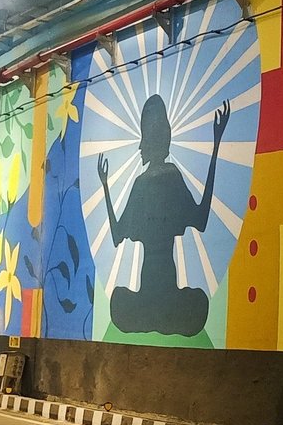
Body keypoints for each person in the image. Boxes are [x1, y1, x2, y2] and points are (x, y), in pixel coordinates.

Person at [98, 96, 230, 337]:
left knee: (120, 304)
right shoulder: (162, 179)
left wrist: (216, 145)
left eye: (144, 139)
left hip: (154, 295)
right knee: (196, 305)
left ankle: (156, 316)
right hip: (161, 296)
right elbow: (201, 219)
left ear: (151, 141)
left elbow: (117, 235)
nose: (139, 147)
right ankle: (163, 317)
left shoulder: (150, 182)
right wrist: (216, 145)